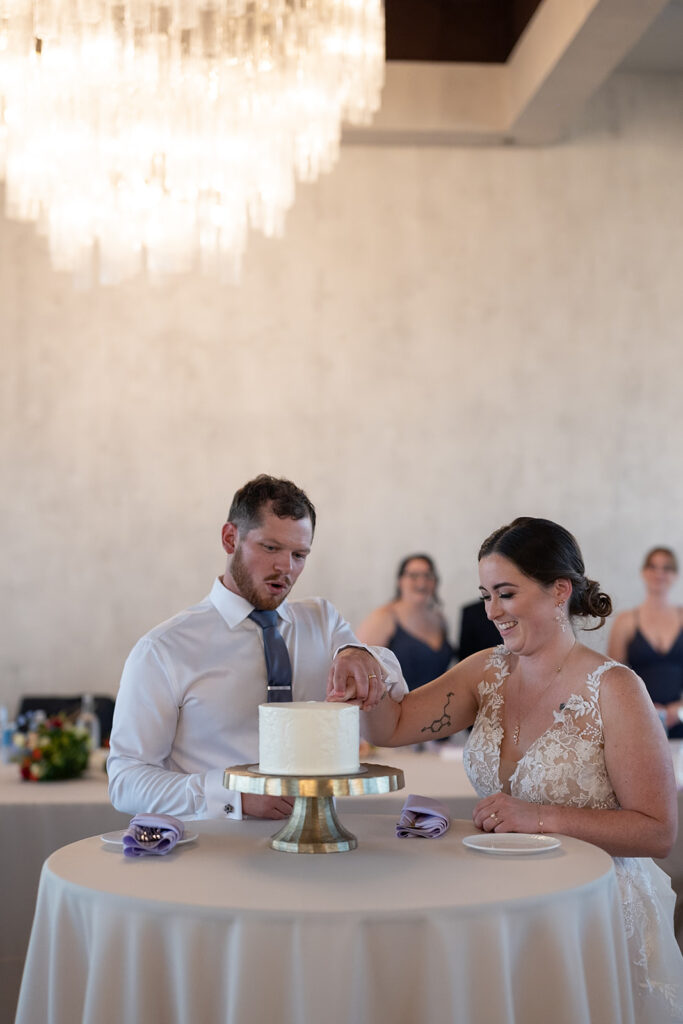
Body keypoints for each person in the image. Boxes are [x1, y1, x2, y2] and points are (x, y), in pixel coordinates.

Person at [329, 517, 682, 1021]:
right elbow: (394, 724)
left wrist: (537, 817)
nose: (492, 611)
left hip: (588, 910)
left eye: (506, 594)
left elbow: (657, 832)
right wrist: (363, 663)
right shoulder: (486, 671)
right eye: (486, 594)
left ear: (559, 590)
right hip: (503, 901)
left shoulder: (616, 688)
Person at [108, 475, 406, 821]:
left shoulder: (323, 623)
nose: (286, 568)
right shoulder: (163, 650)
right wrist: (233, 795)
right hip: (213, 858)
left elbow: (394, 687)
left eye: (299, 554)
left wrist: (361, 654)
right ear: (230, 538)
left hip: (321, 854)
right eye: (270, 548)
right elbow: (126, 781)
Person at [608, 547, 683, 738]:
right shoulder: (625, 621)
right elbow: (611, 678)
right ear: (644, 572)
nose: (659, 573)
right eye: (653, 566)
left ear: (675, 575)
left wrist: (678, 710)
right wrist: (643, 708)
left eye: (666, 568)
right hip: (638, 721)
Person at [356, 554, 454, 691]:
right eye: (413, 576)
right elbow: (359, 668)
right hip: (399, 709)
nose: (421, 582)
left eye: (428, 576)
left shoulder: (440, 619)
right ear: (400, 581)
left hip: (441, 707)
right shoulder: (383, 618)